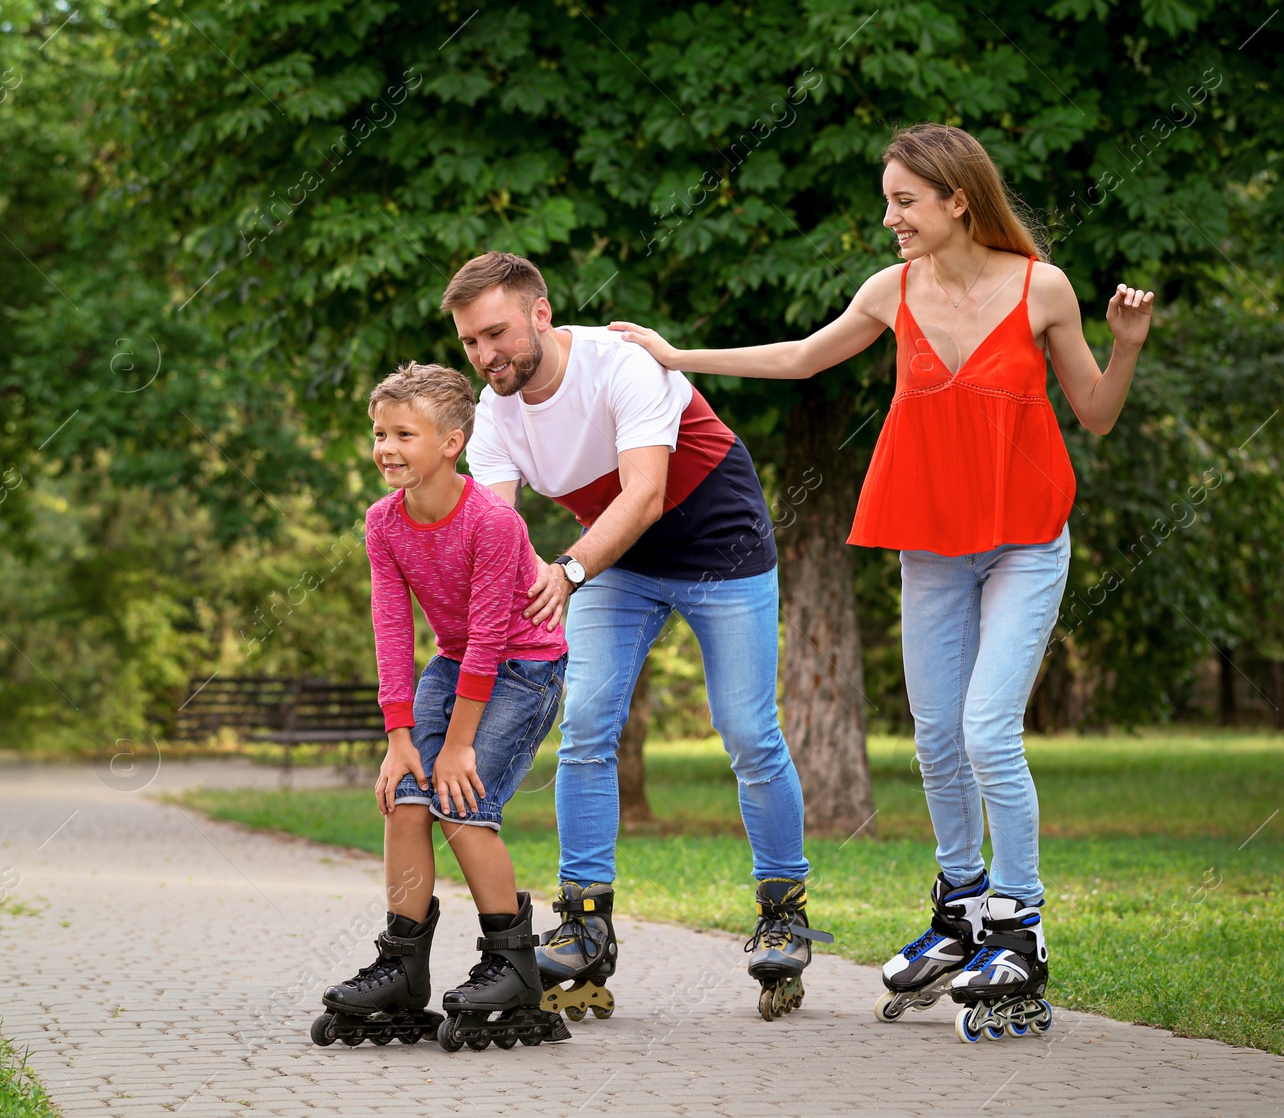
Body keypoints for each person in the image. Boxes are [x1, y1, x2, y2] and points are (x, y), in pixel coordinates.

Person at [610, 123, 1154, 1042]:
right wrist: (675, 356)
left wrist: (1127, 341)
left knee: (987, 729)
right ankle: (961, 903)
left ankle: (1020, 924)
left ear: (958, 200)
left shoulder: (1042, 289)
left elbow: (1095, 415)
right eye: (888, 199)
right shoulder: (891, 291)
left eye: (904, 200)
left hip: (1026, 539)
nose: (891, 217)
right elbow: (801, 357)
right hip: (932, 542)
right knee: (936, 739)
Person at [441, 251, 829, 1023]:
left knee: (748, 731)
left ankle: (783, 906)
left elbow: (645, 492)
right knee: (584, 725)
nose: (486, 357)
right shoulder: (494, 418)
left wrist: (569, 570)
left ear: (541, 314)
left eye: (496, 334)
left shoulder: (621, 365)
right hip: (617, 560)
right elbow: (494, 532)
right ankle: (586, 920)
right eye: (470, 344)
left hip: (719, 547)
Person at [311, 361, 572, 1051]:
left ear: (452, 441)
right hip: (455, 662)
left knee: (463, 803)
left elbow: (492, 639)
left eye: (405, 433)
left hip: (524, 665)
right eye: (379, 433)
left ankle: (512, 968)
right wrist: (401, 737)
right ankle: (401, 966)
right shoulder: (383, 523)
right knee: (406, 796)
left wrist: (456, 746)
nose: (387, 448)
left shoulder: (493, 519)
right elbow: (392, 629)